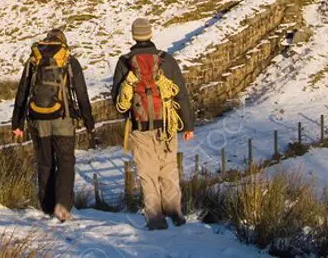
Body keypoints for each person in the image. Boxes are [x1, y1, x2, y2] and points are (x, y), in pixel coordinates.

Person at [111, 17, 196, 230]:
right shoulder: (166, 60)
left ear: (133, 36)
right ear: (150, 34)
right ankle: (175, 213)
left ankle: (156, 219)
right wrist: (188, 125)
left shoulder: (124, 62)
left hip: (140, 128)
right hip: (166, 126)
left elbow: (117, 101)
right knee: (168, 168)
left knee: (147, 174)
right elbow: (181, 95)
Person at [12, 28, 95, 222]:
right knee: (66, 162)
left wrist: (17, 123)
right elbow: (81, 93)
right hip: (63, 119)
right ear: (63, 42)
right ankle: (63, 208)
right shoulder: (68, 60)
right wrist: (89, 122)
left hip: (38, 121)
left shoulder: (34, 60)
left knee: (45, 163)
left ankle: (48, 207)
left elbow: (23, 92)